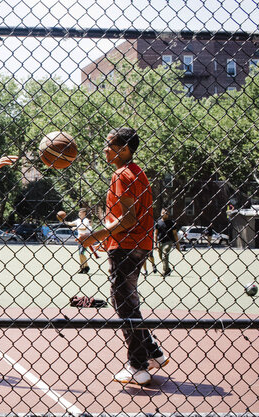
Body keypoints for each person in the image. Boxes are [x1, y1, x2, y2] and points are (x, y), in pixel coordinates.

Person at [78, 127, 168, 386]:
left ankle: (138, 366)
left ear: (124, 149)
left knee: (125, 303)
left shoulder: (122, 174)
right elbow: (130, 216)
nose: (104, 149)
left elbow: (128, 218)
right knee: (125, 302)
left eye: (109, 144)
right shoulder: (138, 172)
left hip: (128, 245)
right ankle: (153, 353)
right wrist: (108, 237)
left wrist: (95, 236)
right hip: (137, 244)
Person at [59, 208, 93, 274]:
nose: (79, 213)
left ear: (84, 213)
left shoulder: (86, 220)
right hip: (79, 239)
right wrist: (63, 221)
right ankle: (82, 267)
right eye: (79, 212)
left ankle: (86, 267)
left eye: (81, 212)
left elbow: (84, 228)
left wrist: (76, 228)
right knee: (80, 254)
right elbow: (70, 223)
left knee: (81, 253)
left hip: (85, 238)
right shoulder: (78, 220)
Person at [154, 208, 182, 276]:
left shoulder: (171, 223)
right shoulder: (158, 223)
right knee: (161, 257)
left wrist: (177, 244)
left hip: (169, 242)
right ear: (161, 214)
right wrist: (155, 244)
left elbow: (175, 234)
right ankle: (168, 269)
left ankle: (164, 271)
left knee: (165, 254)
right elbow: (155, 234)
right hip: (160, 242)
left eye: (166, 213)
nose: (165, 214)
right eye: (164, 212)